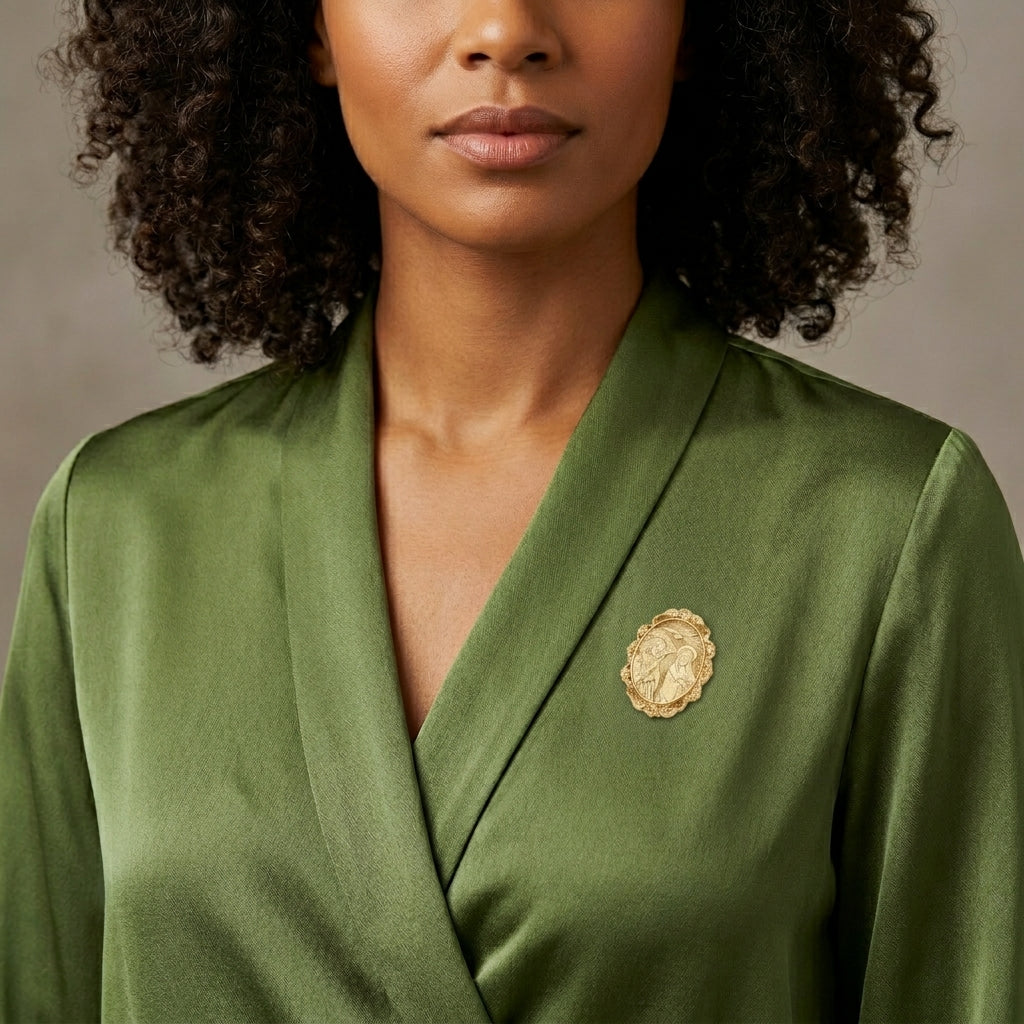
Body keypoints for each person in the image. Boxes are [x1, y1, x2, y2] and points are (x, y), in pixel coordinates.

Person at [2, 0, 1022, 1021]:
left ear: (698, 25)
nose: (505, 27)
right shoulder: (115, 532)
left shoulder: (885, 528)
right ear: (304, 27)